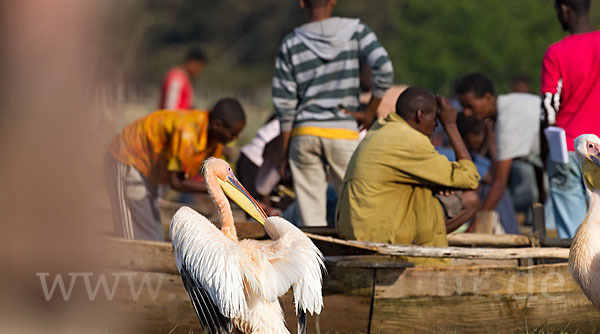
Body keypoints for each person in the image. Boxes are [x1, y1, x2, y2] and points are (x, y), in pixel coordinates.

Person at [272, 0, 394, 227]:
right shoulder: (356, 31)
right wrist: (370, 111)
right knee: (355, 205)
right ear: (333, 1)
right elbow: (384, 68)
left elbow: (285, 102)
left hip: (304, 131)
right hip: (343, 131)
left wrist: (284, 151)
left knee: (310, 216)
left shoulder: (291, 43)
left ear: (302, 3)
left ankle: (316, 260)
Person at [336, 87, 480, 265]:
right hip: (375, 236)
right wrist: (451, 126)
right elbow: (470, 178)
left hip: (360, 228)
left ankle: (425, 240)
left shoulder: (381, 128)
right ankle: (422, 248)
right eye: (436, 120)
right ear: (420, 115)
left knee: (441, 191)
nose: (436, 126)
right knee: (470, 200)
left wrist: (438, 184)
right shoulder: (407, 139)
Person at [104, 98, 246, 241]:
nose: (235, 138)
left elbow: (213, 175)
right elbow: (177, 182)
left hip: (149, 169)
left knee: (152, 232)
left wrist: (239, 195)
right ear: (217, 124)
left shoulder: (214, 139)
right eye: (233, 134)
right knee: (132, 234)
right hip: (127, 157)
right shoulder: (188, 133)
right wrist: (218, 191)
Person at [541, 0, 600, 238]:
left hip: (565, 148)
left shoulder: (556, 52)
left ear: (565, 9)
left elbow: (548, 109)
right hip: (597, 147)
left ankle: (577, 274)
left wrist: (544, 148)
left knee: (575, 234)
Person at [455, 73, 541, 233]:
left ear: (487, 98)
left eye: (470, 106)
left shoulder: (508, 120)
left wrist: (473, 228)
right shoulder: (511, 103)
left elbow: (499, 184)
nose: (466, 113)